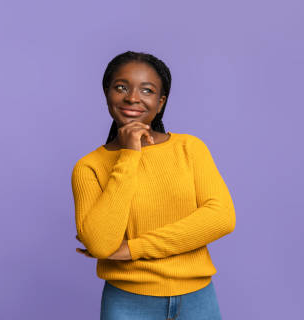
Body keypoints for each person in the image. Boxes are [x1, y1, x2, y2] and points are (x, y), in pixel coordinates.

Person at [71, 51, 236, 320]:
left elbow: (221, 218)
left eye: (146, 90)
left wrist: (132, 249)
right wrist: (129, 154)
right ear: (107, 93)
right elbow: (101, 245)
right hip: (127, 302)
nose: (132, 97)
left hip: (198, 299)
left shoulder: (190, 148)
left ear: (160, 103)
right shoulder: (88, 167)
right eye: (121, 87)